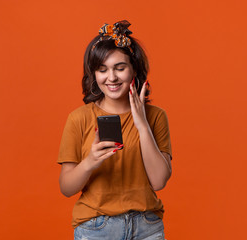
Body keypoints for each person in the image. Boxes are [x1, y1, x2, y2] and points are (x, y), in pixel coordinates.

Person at [58, 20, 172, 240]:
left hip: (147, 226)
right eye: (102, 70)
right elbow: (66, 187)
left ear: (134, 70)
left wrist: (142, 125)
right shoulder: (79, 118)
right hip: (97, 228)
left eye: (120, 68)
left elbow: (159, 181)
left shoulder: (156, 116)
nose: (111, 78)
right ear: (94, 74)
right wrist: (91, 161)